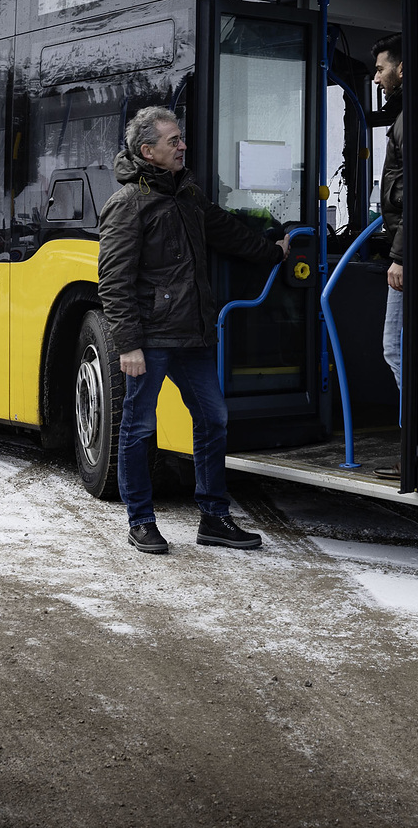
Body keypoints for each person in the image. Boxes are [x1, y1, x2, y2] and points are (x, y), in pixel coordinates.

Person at [98, 106, 289, 554]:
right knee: (139, 429)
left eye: (181, 138)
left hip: (195, 336)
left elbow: (226, 231)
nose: (182, 145)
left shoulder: (188, 194)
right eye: (173, 141)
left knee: (213, 420)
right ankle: (141, 521)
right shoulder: (127, 204)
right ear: (149, 151)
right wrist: (128, 343)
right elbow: (114, 281)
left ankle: (214, 518)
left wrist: (272, 253)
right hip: (151, 339)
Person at [368, 34, 405, 479]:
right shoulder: (403, 115)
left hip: (407, 259)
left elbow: (415, 193)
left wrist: (399, 257)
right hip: (402, 250)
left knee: (394, 348)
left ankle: (413, 443)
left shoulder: (408, 118)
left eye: (380, 68)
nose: (376, 76)